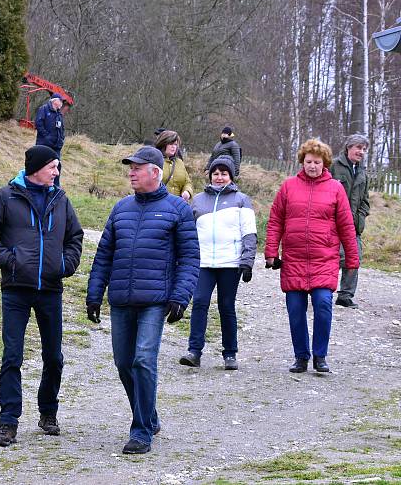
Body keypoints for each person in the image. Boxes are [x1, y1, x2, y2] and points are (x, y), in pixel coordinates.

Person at [85, 146, 199, 455]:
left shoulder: (178, 209)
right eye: (130, 168)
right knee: (124, 364)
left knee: (143, 359)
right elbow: (104, 255)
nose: (131, 173)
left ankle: (141, 430)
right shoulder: (121, 208)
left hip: (155, 300)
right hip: (121, 298)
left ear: (155, 172)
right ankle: (149, 415)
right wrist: (95, 293)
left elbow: (190, 258)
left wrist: (180, 296)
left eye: (137, 168)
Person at [0, 145, 84, 448]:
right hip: (16, 290)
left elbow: (75, 237)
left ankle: (48, 413)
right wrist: (11, 261)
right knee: (12, 356)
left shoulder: (61, 200)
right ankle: (8, 421)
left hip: (50, 289)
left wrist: (65, 265)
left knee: (54, 357)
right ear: (37, 167)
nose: (57, 172)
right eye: (53, 167)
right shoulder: (5, 197)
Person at [265, 139, 359, 374]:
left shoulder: (336, 188)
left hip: (324, 259)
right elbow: (276, 220)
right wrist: (270, 252)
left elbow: (347, 226)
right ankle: (301, 356)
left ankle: (320, 356)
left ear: (324, 163)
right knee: (295, 309)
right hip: (294, 260)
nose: (312, 166)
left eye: (317, 162)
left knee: (323, 304)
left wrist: (352, 260)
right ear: (302, 162)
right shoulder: (288, 187)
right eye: (308, 161)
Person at [179, 156, 257, 371]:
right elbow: (187, 232)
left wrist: (247, 261)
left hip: (230, 263)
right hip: (203, 262)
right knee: (200, 302)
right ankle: (194, 351)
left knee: (226, 306)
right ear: (210, 175)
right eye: (216, 173)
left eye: (224, 173)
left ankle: (230, 353)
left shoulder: (241, 199)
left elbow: (249, 232)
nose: (219, 177)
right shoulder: (199, 201)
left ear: (230, 176)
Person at [331, 134, 370, 309]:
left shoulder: (363, 172)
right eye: (358, 148)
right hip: (333, 223)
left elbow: (365, 201)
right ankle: (321, 289)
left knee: (354, 259)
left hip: (354, 226)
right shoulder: (333, 166)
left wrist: (361, 216)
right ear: (348, 147)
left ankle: (345, 296)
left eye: (363, 149)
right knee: (333, 257)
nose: (361, 152)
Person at [35, 93, 65, 185]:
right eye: (60, 101)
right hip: (44, 144)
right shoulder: (43, 109)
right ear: (54, 101)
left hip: (56, 146)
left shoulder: (59, 114)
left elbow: (62, 128)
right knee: (42, 165)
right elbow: (38, 124)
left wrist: (61, 139)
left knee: (57, 165)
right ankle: (39, 183)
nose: (62, 103)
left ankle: (55, 186)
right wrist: (46, 137)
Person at [154, 130, 193, 201]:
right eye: (171, 144)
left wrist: (187, 191)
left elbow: (187, 182)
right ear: (163, 144)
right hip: (158, 204)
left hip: (178, 205)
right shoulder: (154, 161)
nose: (173, 147)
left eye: (175, 144)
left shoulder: (179, 162)